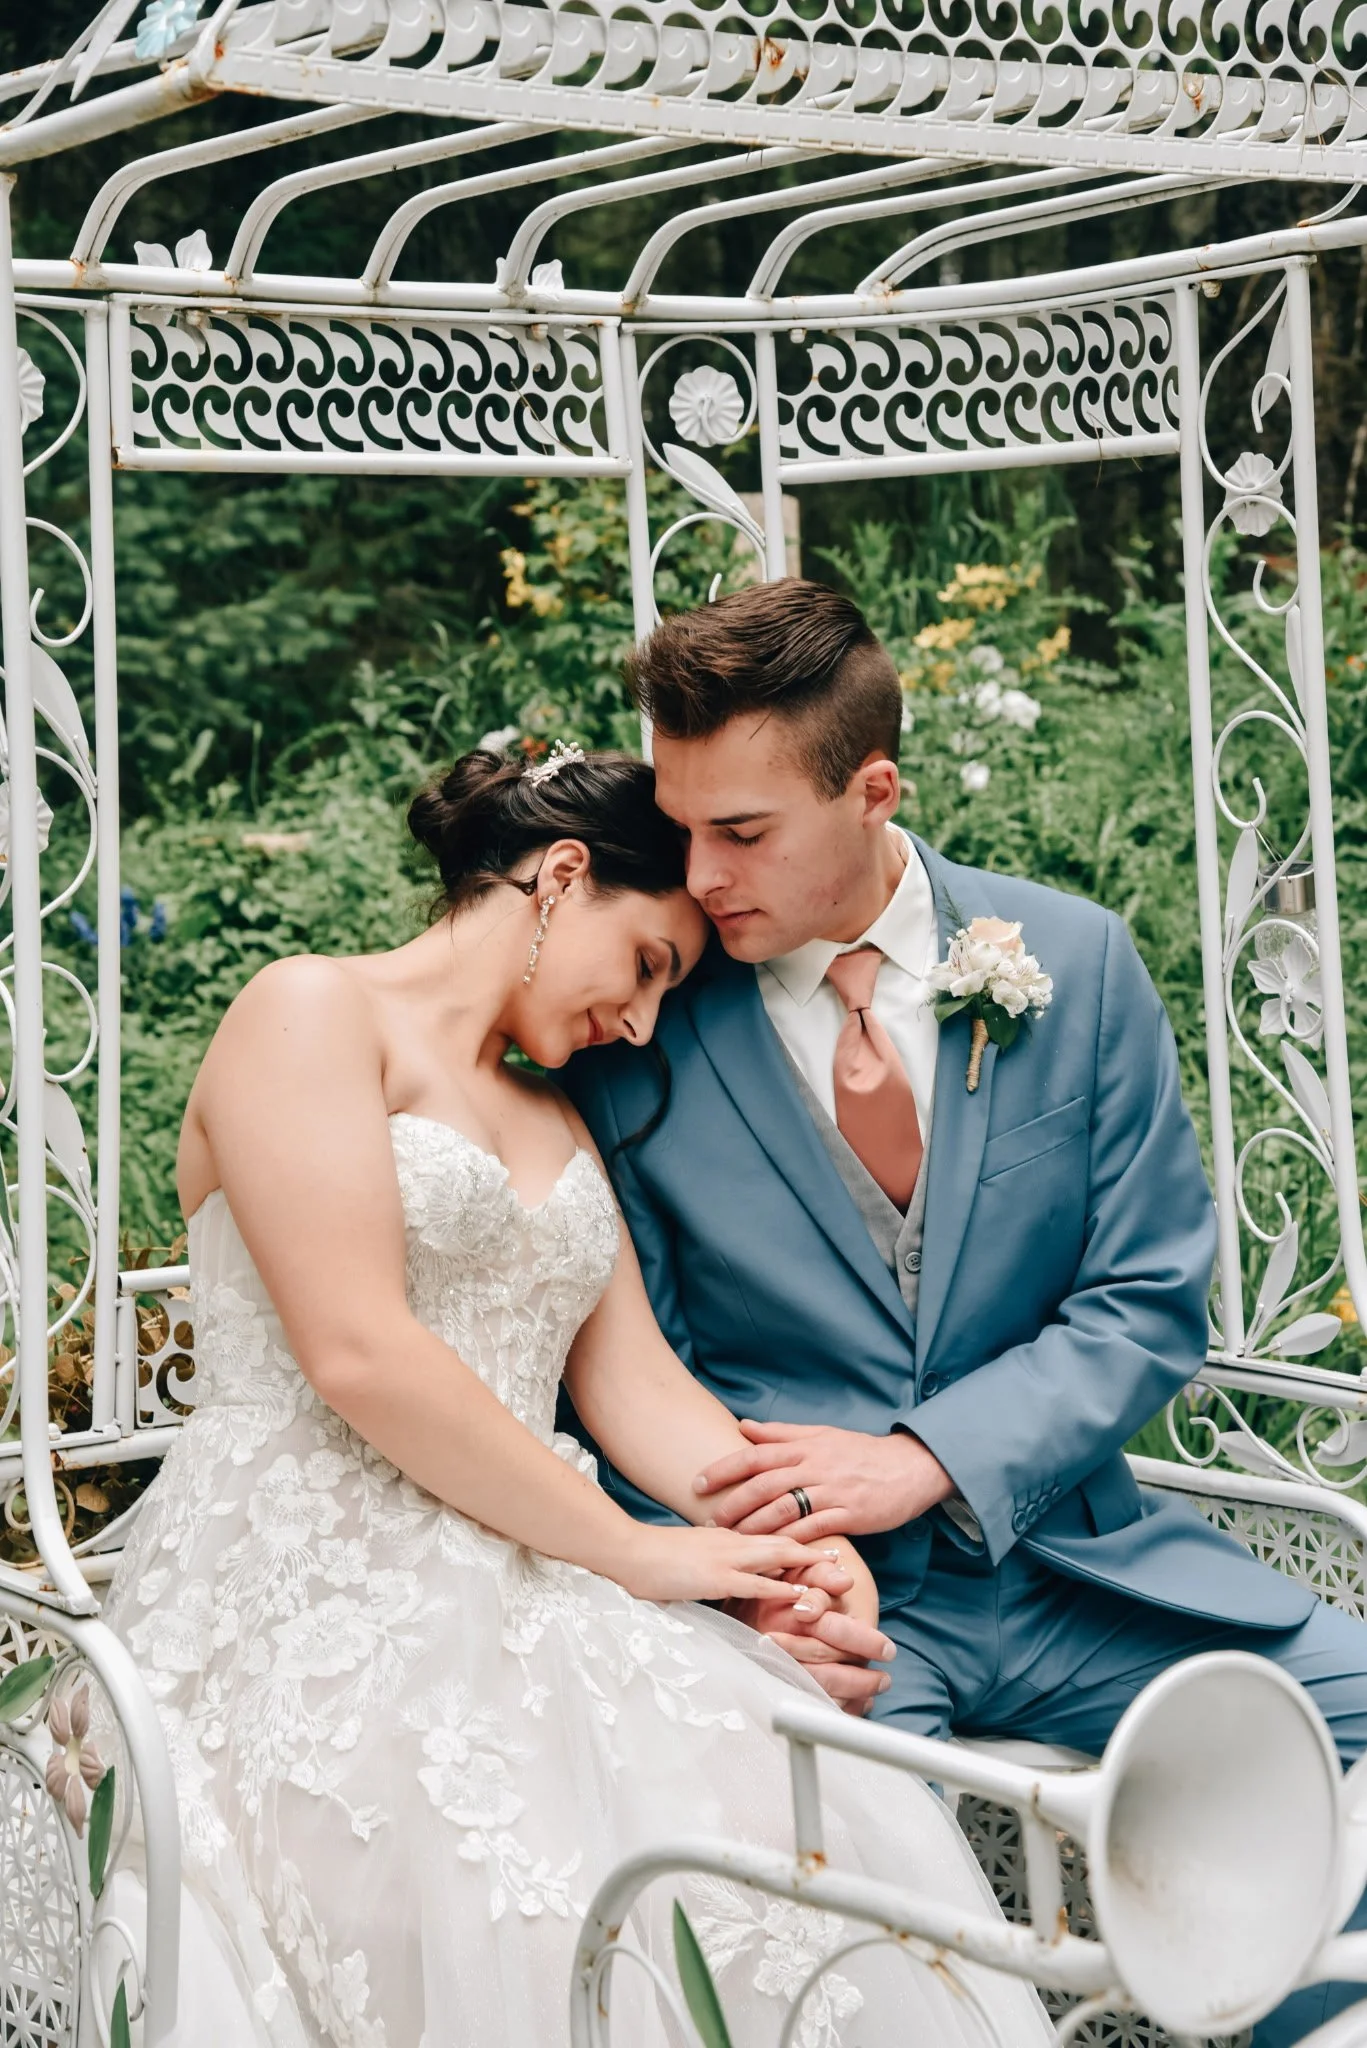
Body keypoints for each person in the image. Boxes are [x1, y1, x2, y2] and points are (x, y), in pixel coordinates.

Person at [99, 745, 1051, 2047]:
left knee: (781, 1818)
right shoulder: (309, 1009)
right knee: (512, 1876)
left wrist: (794, 1547)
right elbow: (358, 1351)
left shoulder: (551, 1113)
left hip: (522, 1558)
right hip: (303, 1574)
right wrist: (637, 1558)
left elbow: (637, 1389)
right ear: (560, 877)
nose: (645, 1020)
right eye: (650, 964)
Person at [560, 579, 1367, 2048]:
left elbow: (1144, 1300)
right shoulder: (642, 1024)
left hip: (1079, 1567)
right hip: (827, 1613)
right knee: (849, 1881)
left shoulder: (1078, 957)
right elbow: (625, 1367)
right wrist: (767, 1573)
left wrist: (929, 1459)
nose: (698, 870)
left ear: (872, 791)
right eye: (681, 824)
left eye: (741, 832)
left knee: (1357, 1708)